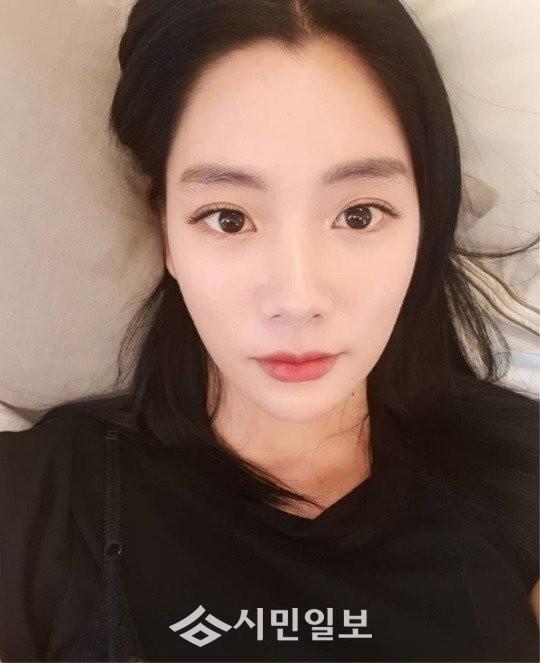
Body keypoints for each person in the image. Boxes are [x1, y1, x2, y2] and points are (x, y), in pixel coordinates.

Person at [1, 0, 538, 660]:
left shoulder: (524, 473)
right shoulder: (39, 498)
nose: (297, 299)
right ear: (165, 228)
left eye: (360, 214)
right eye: (228, 218)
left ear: (426, 220)